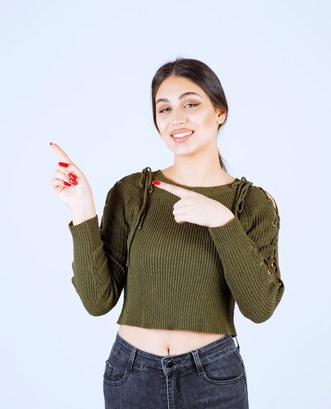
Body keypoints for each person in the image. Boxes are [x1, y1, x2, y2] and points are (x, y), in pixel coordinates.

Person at [50, 57, 284, 409]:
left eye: (191, 104)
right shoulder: (133, 193)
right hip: (131, 374)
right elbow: (98, 302)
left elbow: (260, 307)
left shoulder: (251, 203)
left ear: (219, 111)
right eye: (164, 109)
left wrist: (223, 222)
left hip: (213, 376)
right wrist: (83, 210)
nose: (177, 119)